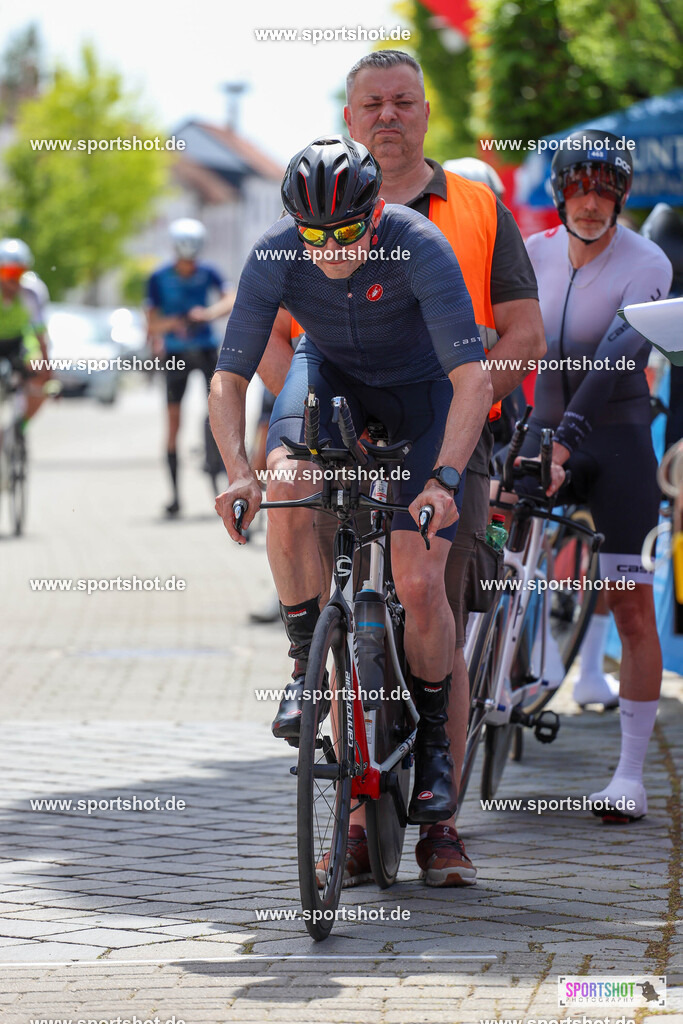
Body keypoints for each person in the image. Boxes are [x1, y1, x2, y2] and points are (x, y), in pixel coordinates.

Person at [253, 50, 545, 887]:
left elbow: (524, 332)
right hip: (348, 436)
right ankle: (352, 810)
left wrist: (461, 386)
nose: (389, 115)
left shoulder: (477, 208)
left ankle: (440, 825)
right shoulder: (310, 207)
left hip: (449, 438)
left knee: (426, 602)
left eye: (404, 102)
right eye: (372, 103)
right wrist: (313, 416)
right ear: (349, 119)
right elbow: (276, 342)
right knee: (344, 613)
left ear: (425, 114)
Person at [210, 135, 494, 830]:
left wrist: (444, 481)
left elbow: (471, 379)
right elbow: (228, 378)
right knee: (287, 485)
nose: (330, 247)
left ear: (375, 214)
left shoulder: (418, 244)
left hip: (419, 392)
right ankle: (305, 665)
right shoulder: (277, 250)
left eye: (345, 231)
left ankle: (431, 742)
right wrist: (239, 472)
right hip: (329, 375)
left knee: (421, 581)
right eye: (315, 234)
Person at [516, 129, 673, 821]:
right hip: (540, 429)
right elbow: (508, 340)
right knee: (490, 570)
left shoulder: (647, 261)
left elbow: (617, 357)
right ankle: (507, 679)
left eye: (604, 186)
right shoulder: (531, 254)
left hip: (613, 440)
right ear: (558, 192)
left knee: (631, 603)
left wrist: (562, 443)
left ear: (621, 195)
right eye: (577, 185)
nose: (590, 200)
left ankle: (628, 777)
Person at [145, 219, 234, 516]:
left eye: (192, 260)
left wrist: (206, 314)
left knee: (220, 413)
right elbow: (151, 322)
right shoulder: (158, 277)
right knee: (173, 423)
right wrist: (177, 321)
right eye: (184, 260)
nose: (188, 265)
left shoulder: (208, 271)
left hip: (206, 348)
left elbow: (231, 298)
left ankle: (223, 477)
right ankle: (175, 495)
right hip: (176, 352)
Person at [0, 238, 51, 422]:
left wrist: (47, 368)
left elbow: (39, 332)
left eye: (19, 272)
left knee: (40, 378)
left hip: (19, 341)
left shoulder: (32, 292)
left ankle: (18, 428)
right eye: (8, 272)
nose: (14, 279)